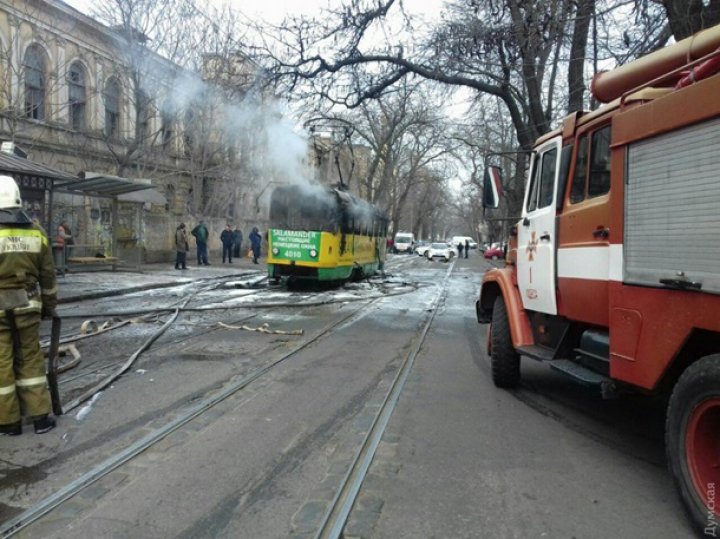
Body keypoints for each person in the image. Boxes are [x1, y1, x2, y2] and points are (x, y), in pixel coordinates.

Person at [0, 176, 58, 435]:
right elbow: (48, 277)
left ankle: (8, 423)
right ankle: (40, 419)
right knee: (31, 358)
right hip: (29, 305)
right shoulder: (37, 232)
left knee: (1, 362)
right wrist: (48, 307)